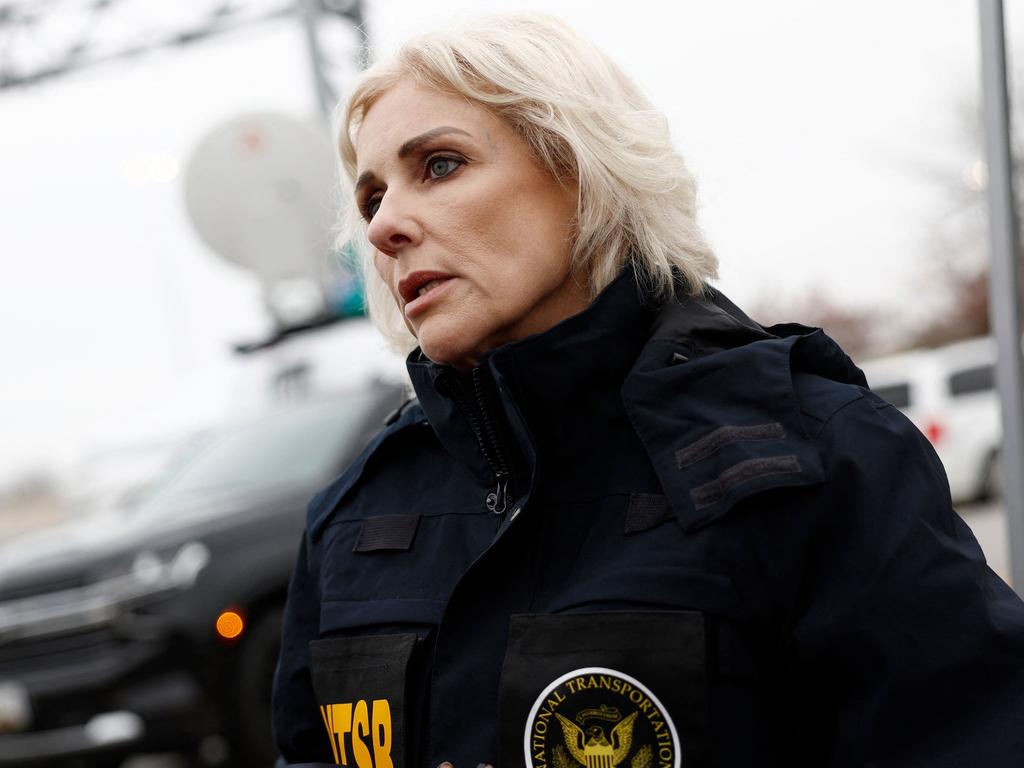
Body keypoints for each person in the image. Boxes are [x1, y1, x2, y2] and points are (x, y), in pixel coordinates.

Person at [272, 13, 1024, 768]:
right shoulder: (349, 519)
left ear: (581, 167)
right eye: (371, 198)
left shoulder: (815, 458)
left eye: (438, 165)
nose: (385, 226)